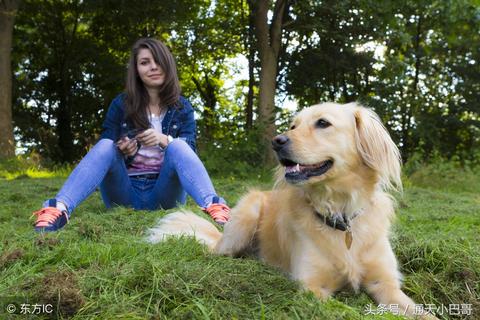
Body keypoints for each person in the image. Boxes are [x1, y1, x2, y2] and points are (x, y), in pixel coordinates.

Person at [32, 38, 230, 232]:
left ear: (167, 64)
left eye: (158, 61)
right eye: (145, 62)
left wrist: (165, 140)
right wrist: (123, 149)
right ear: (136, 70)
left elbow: (189, 153)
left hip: (165, 193)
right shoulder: (120, 105)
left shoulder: (182, 107)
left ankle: (214, 206)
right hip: (124, 191)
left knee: (178, 145)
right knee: (105, 145)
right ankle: (57, 208)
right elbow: (106, 150)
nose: (153, 67)